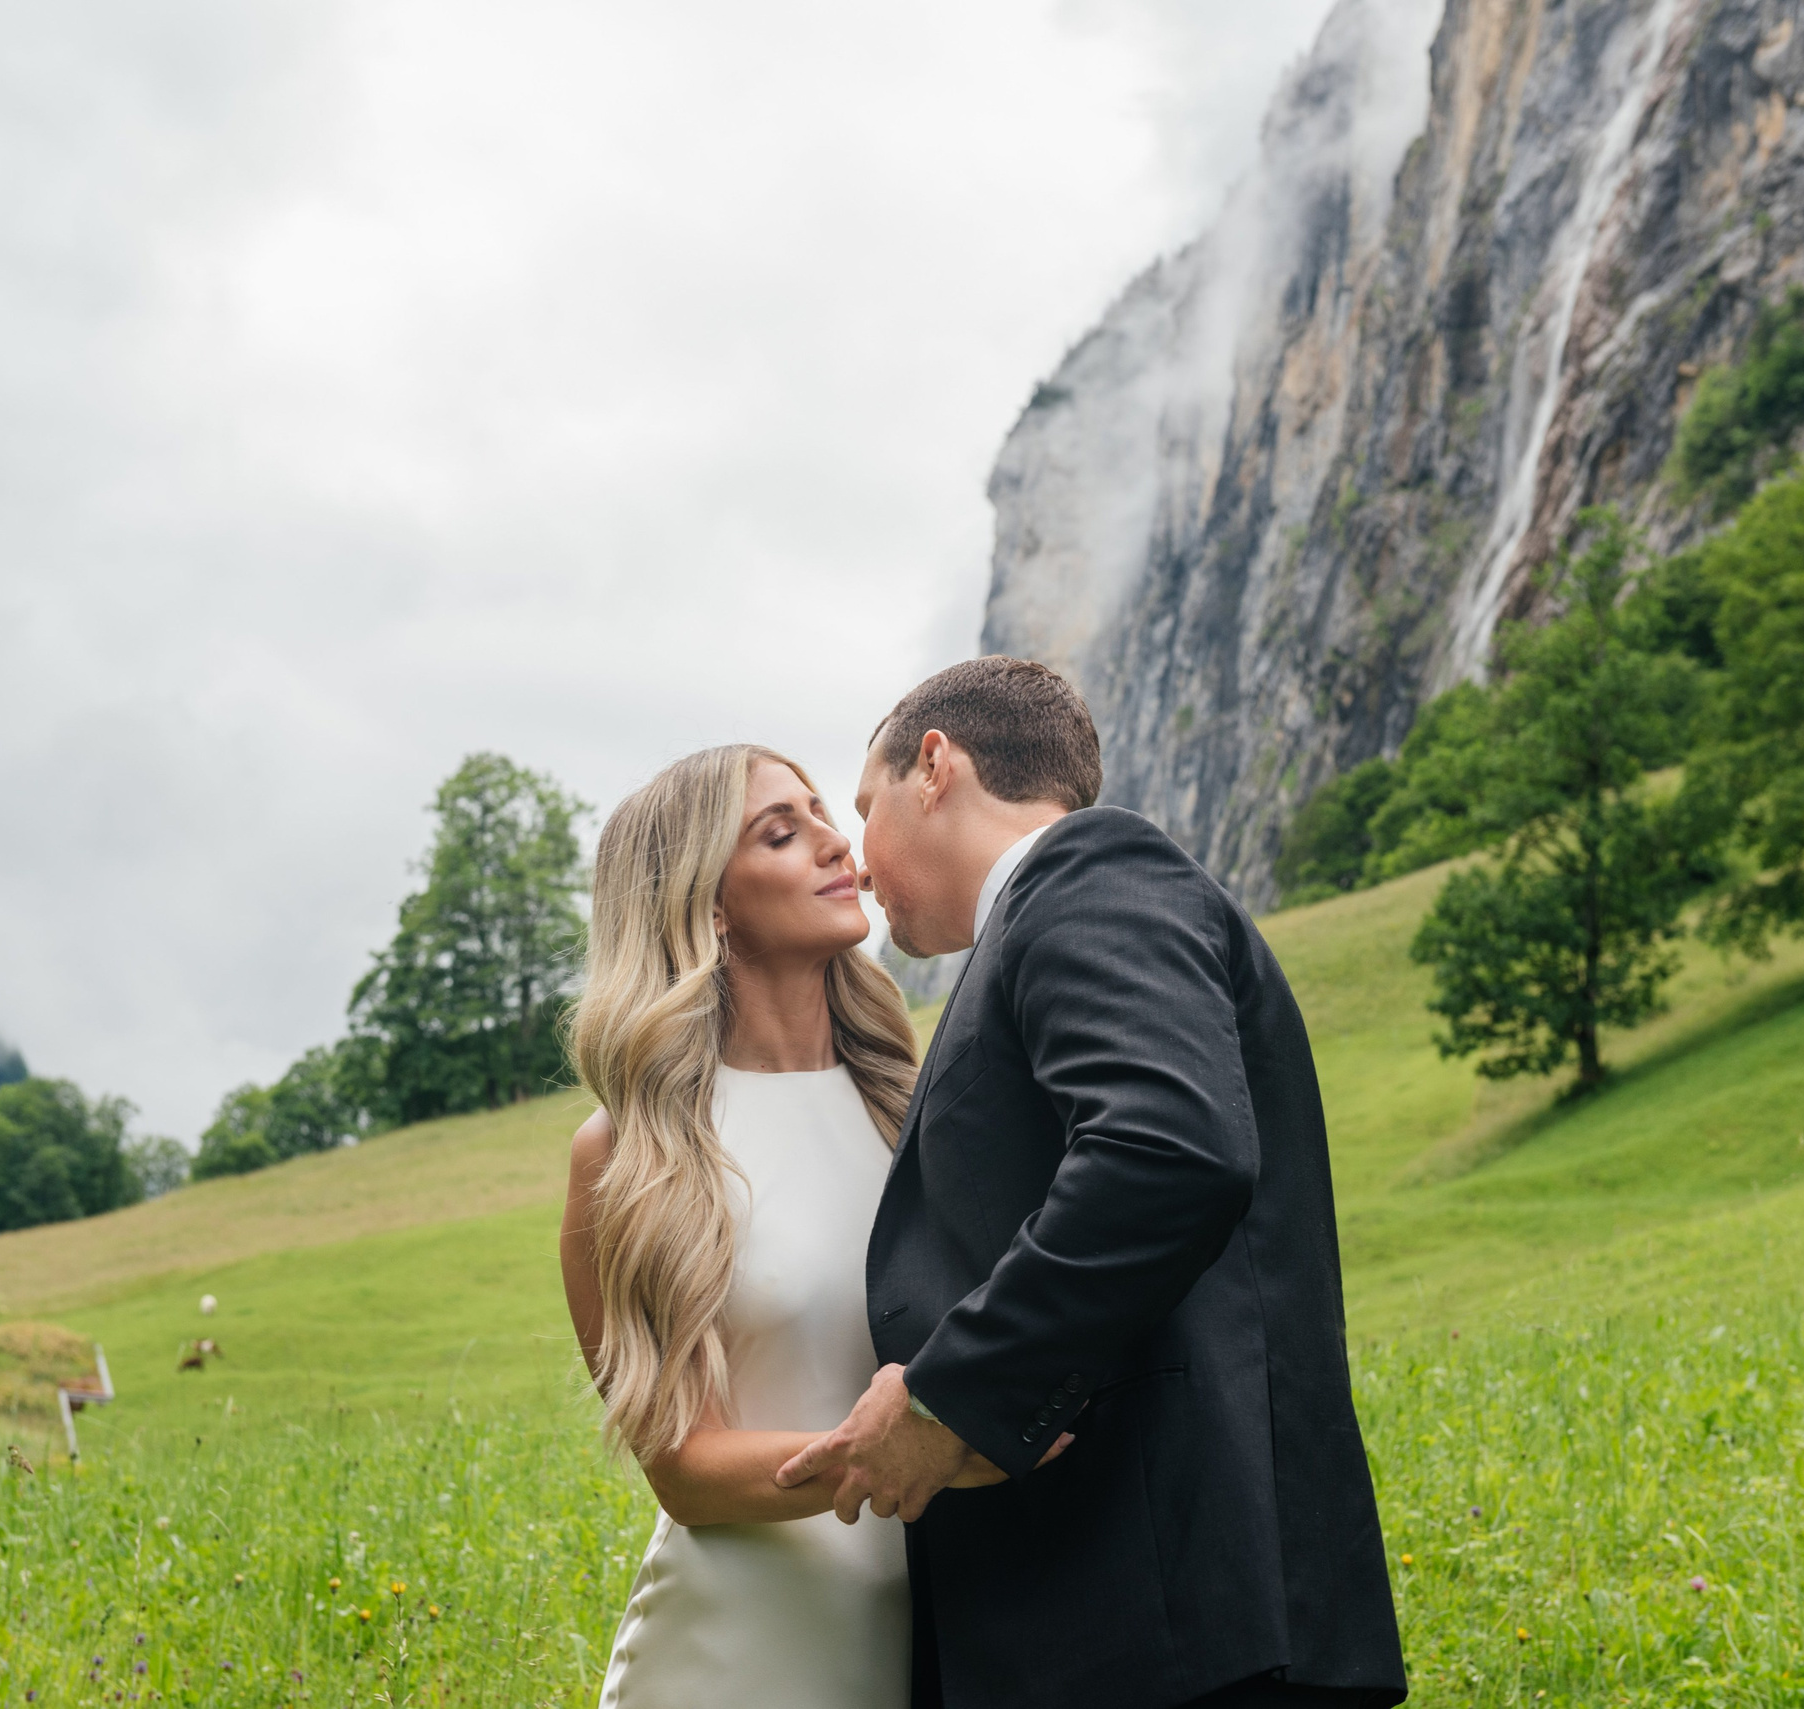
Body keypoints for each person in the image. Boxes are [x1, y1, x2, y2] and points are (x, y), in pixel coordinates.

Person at [775, 657, 1408, 1709]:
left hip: (1177, 1615)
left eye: (863, 805)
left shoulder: (1091, 873)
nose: (860, 860)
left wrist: (949, 1394)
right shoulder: (1042, 918)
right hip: (1137, 1616)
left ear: (934, 765)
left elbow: (1166, 1148)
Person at [565, 744, 1033, 1708]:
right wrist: (925, 1449)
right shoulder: (633, 1153)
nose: (835, 842)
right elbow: (684, 1470)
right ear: (708, 905)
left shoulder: (917, 1108)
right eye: (782, 833)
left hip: (948, 1638)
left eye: (823, 814)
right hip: (740, 1656)